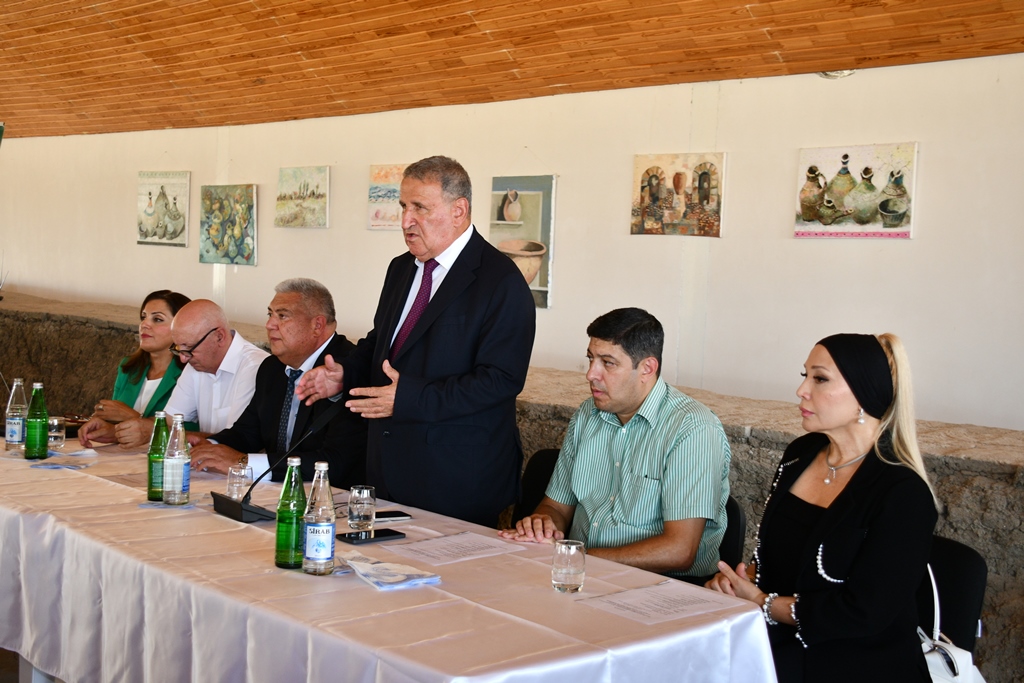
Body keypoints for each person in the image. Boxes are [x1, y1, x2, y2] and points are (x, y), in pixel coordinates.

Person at [297, 155, 536, 527]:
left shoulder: (501, 281)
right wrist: (345, 373)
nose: (406, 221)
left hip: (455, 479)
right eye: (403, 206)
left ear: (459, 211)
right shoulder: (401, 268)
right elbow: (383, 343)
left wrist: (407, 399)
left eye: (420, 208)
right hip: (388, 471)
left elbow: (499, 381)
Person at [706, 333, 938, 682]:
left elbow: (865, 612)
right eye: (805, 376)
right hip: (778, 645)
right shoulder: (801, 454)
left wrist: (763, 602)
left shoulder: (902, 492)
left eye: (820, 379)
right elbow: (778, 558)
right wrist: (740, 582)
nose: (801, 390)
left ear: (863, 394)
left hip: (857, 664)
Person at [500, 308, 731, 580]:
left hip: (664, 584)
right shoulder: (588, 414)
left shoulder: (693, 428)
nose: (591, 374)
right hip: (581, 573)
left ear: (647, 368)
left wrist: (577, 556)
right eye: (591, 359)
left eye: (607, 363)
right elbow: (557, 506)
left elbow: (679, 550)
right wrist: (543, 524)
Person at [189, 279, 367, 485]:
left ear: (317, 325)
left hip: (336, 495)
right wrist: (209, 446)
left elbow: (335, 462)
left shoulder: (346, 372)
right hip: (280, 490)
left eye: (282, 316)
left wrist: (243, 462)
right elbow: (248, 433)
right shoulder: (272, 368)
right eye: (270, 315)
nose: (269, 325)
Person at [113, 299, 268, 447]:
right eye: (178, 349)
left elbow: (240, 440)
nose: (183, 359)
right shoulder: (196, 362)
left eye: (189, 348)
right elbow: (170, 420)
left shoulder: (256, 368)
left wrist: (155, 432)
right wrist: (116, 431)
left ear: (219, 336)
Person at [79, 289, 194, 447]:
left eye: (157, 319)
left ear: (181, 327)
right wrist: (110, 429)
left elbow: (193, 431)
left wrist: (132, 416)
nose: (144, 325)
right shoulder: (129, 368)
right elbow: (115, 420)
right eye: (143, 317)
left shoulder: (190, 373)